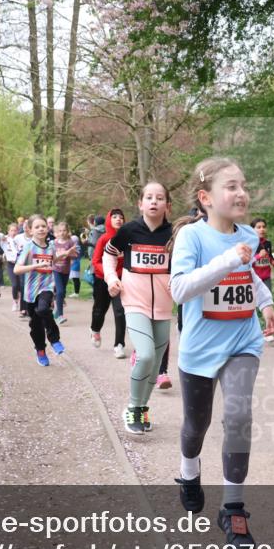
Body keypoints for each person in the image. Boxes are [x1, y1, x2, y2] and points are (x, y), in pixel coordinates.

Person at [168, 157, 274, 549]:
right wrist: (228, 259)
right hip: (199, 349)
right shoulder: (192, 238)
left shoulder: (248, 232)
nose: (241, 192)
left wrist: (265, 303)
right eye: (231, 186)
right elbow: (180, 291)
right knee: (196, 425)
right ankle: (188, 470)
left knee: (238, 415)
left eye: (243, 184)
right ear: (206, 198)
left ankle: (233, 508)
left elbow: (247, 278)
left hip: (242, 342)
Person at [104, 182, 174, 433]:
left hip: (164, 306)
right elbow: (109, 255)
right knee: (145, 355)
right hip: (134, 301)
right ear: (140, 203)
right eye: (149, 197)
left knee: (155, 366)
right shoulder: (129, 231)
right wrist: (112, 279)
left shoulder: (175, 234)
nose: (154, 201)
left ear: (168, 204)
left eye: (160, 197)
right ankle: (133, 408)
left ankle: (142, 409)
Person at [14, 215, 64, 366]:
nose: (41, 229)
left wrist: (63, 255)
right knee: (35, 325)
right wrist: (35, 266)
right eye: (37, 227)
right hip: (30, 290)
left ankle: (54, 339)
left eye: (43, 226)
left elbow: (51, 260)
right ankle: (40, 351)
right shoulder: (29, 247)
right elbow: (17, 269)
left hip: (46, 286)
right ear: (30, 230)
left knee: (43, 309)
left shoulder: (51, 246)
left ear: (47, 228)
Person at [91, 208, 128, 357]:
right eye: (114, 217)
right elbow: (95, 261)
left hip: (121, 281)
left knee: (120, 312)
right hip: (102, 279)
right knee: (100, 310)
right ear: (109, 220)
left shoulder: (128, 239)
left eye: (121, 217)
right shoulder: (104, 239)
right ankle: (95, 330)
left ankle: (119, 344)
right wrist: (108, 274)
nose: (118, 219)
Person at [251, 217, 274, 342]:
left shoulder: (267, 243)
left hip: (266, 277)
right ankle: (253, 331)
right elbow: (247, 262)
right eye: (258, 227)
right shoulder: (250, 244)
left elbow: (269, 255)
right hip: (254, 279)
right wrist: (257, 256)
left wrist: (273, 262)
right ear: (252, 229)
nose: (262, 229)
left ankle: (267, 330)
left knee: (267, 303)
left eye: (263, 226)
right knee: (253, 304)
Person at [51, 221, 80, 324]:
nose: (62, 233)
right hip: (56, 270)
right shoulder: (54, 243)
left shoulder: (70, 242)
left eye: (64, 230)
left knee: (62, 292)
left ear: (67, 231)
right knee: (60, 291)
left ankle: (55, 309)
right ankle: (60, 316)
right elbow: (51, 255)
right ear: (57, 232)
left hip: (66, 270)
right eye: (60, 231)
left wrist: (73, 253)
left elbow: (75, 255)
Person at [3, 223, 25, 312]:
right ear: (8, 231)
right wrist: (2, 236)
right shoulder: (5, 239)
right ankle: (15, 301)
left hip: (20, 264)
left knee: (21, 284)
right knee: (15, 284)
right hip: (11, 264)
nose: (13, 232)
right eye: (11, 230)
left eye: (15, 230)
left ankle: (22, 304)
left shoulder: (20, 239)